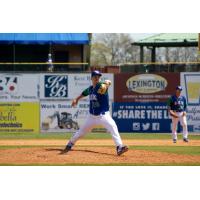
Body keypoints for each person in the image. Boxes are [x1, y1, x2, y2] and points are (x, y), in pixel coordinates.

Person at [61, 70, 128, 156]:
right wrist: (76, 99)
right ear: (91, 78)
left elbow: (107, 83)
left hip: (103, 116)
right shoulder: (91, 89)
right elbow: (84, 93)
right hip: (91, 117)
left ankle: (119, 147)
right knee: (81, 132)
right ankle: (70, 143)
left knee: (113, 127)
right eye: (95, 76)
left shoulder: (101, 85)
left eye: (98, 76)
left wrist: (107, 83)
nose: (97, 78)